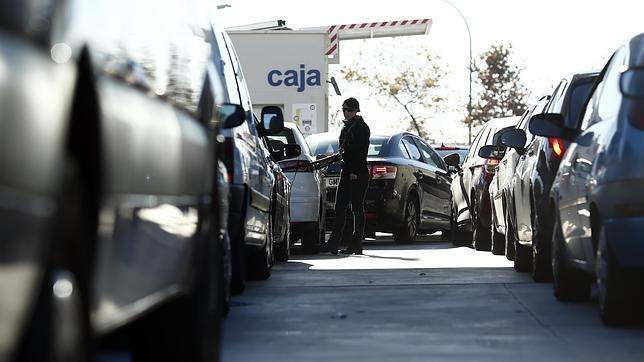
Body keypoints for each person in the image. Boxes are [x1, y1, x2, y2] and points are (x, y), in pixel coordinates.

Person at [322, 97, 370, 255]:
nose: (346, 112)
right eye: (344, 109)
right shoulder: (346, 127)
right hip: (346, 171)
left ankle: (356, 244)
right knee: (339, 207)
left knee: (357, 207)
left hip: (358, 173)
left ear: (356, 110)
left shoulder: (361, 128)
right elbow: (345, 151)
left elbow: (361, 152)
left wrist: (355, 172)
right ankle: (333, 243)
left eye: (349, 109)